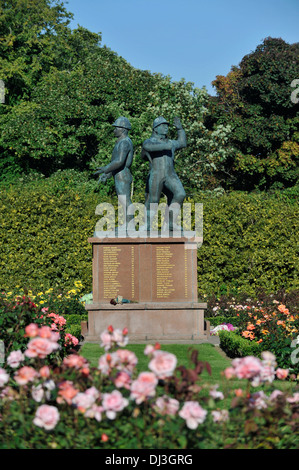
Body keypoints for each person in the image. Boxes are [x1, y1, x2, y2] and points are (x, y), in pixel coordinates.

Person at [141, 116, 187, 232]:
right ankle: (147, 224)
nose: (166, 128)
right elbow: (147, 147)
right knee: (154, 199)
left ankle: (171, 223)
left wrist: (180, 129)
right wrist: (164, 146)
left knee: (180, 194)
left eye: (167, 125)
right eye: (163, 126)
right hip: (157, 174)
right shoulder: (150, 141)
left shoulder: (170, 142)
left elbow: (182, 143)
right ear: (155, 129)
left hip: (170, 175)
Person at [94, 117, 134, 231]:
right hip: (119, 174)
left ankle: (130, 224)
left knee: (124, 199)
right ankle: (127, 224)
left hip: (123, 174)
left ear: (123, 129)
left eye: (116, 128)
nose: (114, 130)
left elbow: (120, 161)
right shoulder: (122, 142)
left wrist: (105, 169)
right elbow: (116, 163)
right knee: (122, 200)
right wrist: (107, 174)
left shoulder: (124, 143)